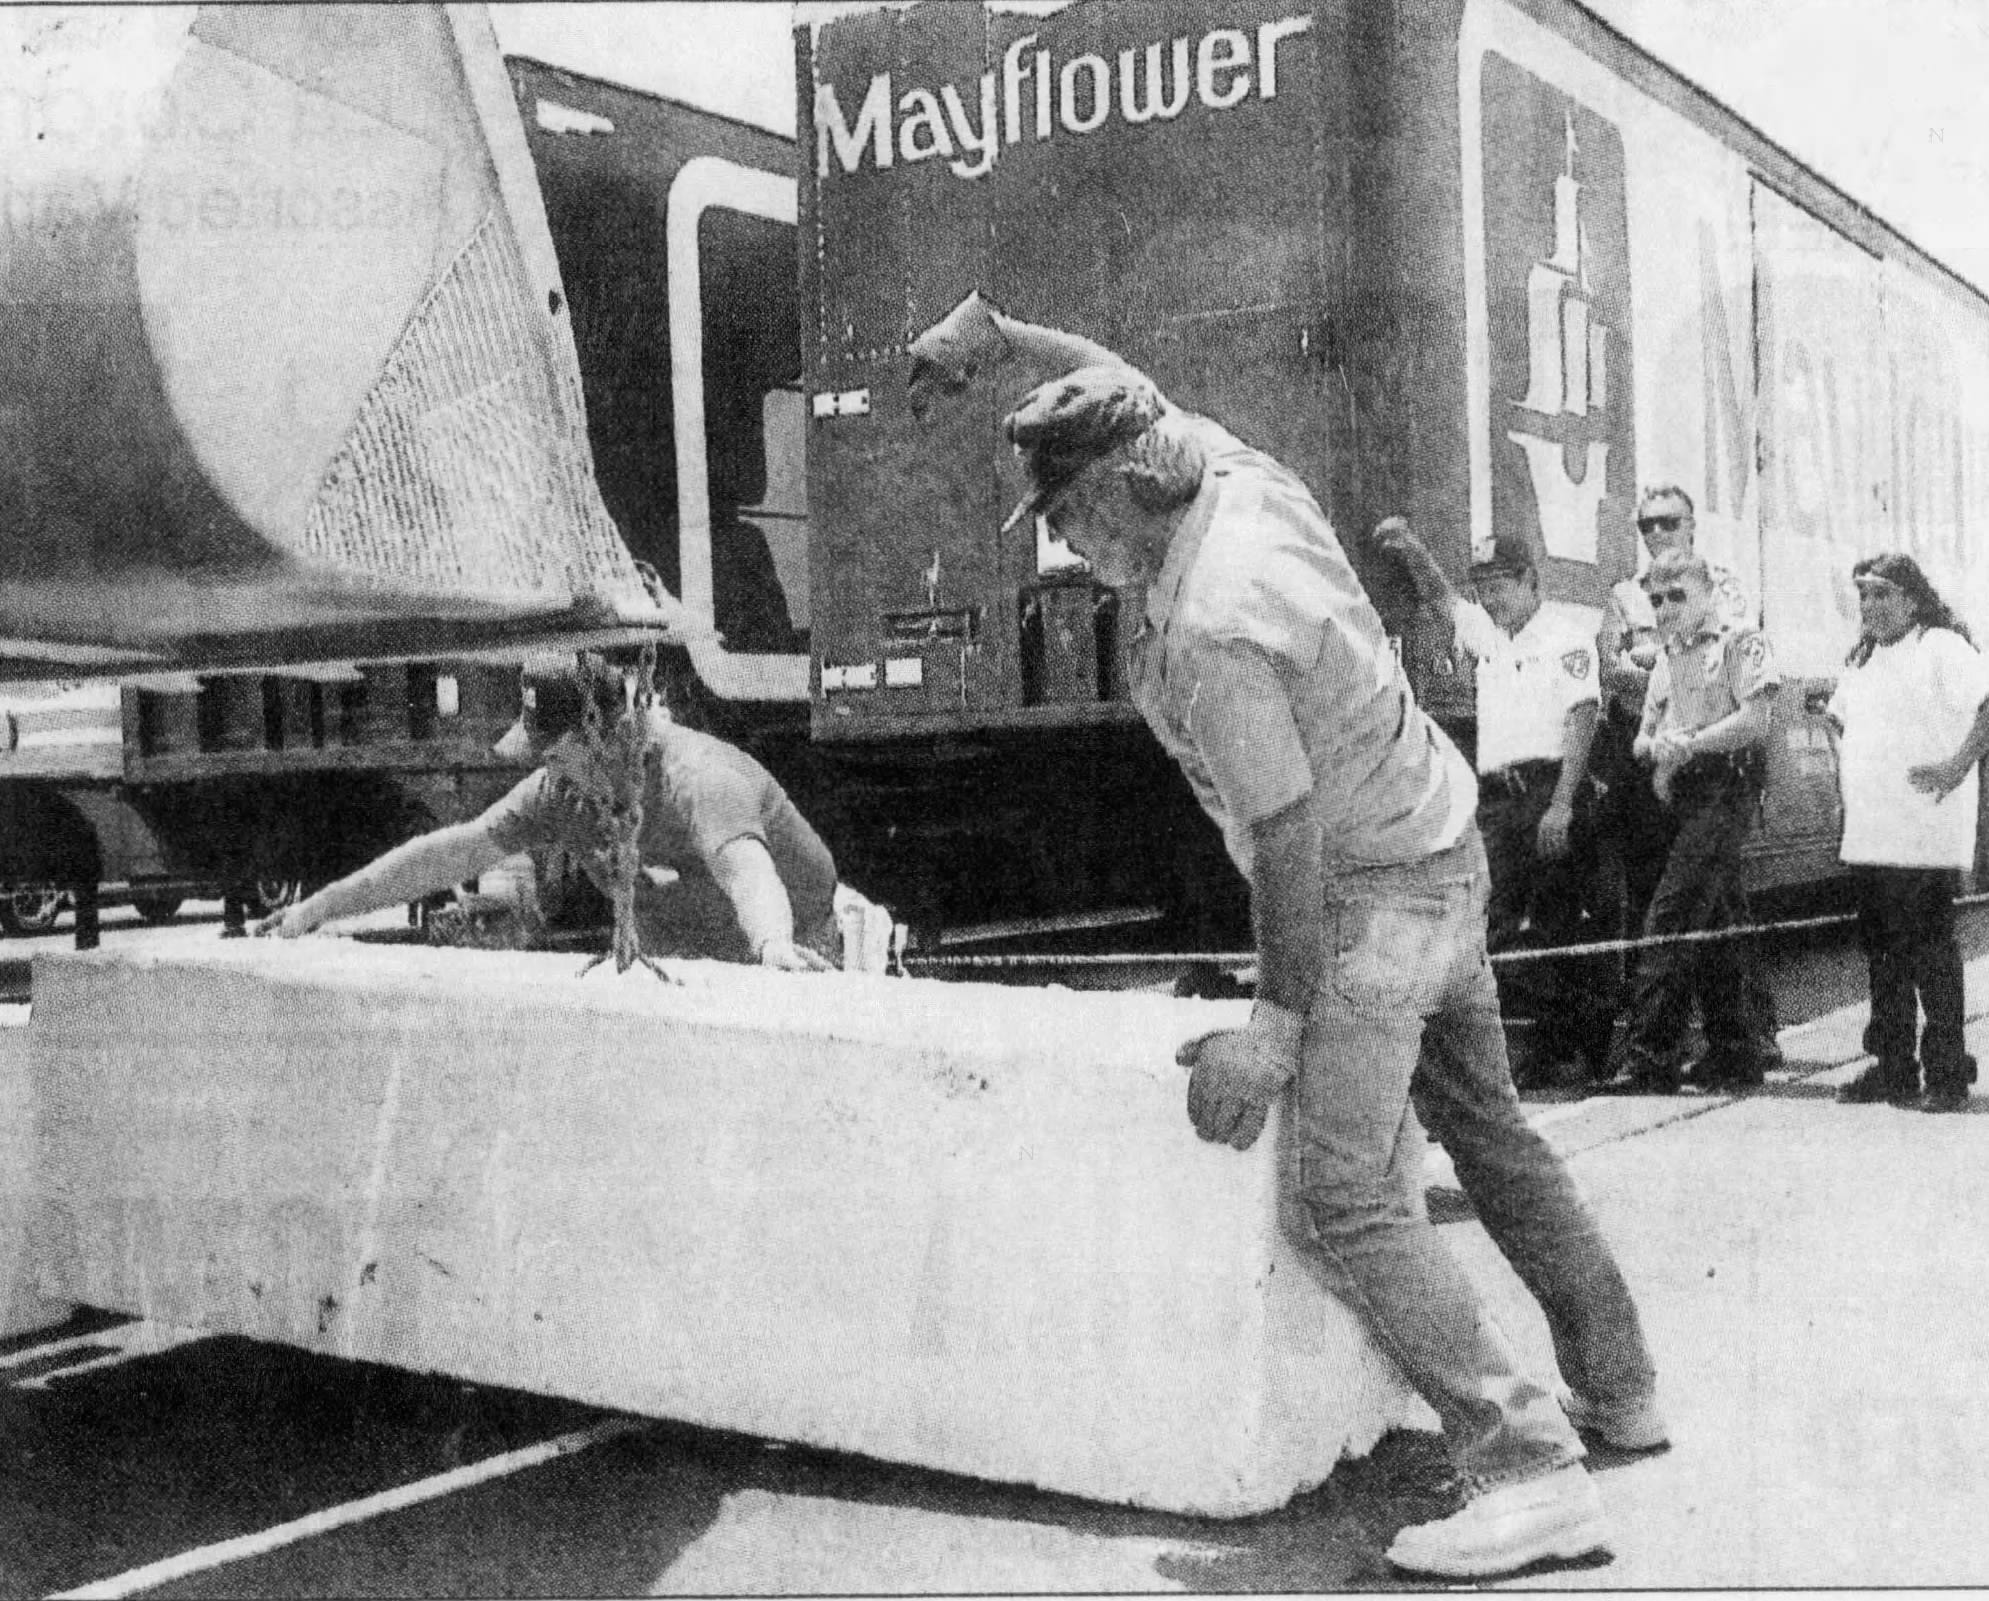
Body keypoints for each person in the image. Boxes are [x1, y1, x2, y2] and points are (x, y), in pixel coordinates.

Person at [980, 350, 1662, 1579]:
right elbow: (1118, 373)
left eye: (1075, 511)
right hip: (1445, 852)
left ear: (1139, 476)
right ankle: (1623, 1389)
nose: (1070, 542)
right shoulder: (1236, 470)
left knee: (1335, 1192)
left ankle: (1525, 1467)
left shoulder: (1209, 626)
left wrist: (1275, 1027)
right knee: (1493, 1131)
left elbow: (1288, 839)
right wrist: (1002, 336)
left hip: (1369, 896)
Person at [258, 654, 841, 971]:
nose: (548, 770)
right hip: (690, 961)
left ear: (611, 733)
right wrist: (319, 907)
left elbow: (747, 871)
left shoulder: (699, 776)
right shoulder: (557, 794)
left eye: (560, 753)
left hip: (796, 947)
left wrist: (773, 945)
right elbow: (449, 854)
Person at [1371, 521, 1611, 1083]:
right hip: (1501, 800)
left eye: (1499, 582)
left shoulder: (1565, 636)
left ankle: (1578, 1048)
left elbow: (1583, 718)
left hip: (1549, 789)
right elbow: (1441, 596)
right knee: (1495, 920)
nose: (1488, 595)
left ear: (1529, 581)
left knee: (1560, 919)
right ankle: (1533, 1046)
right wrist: (1410, 547)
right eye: (1482, 583)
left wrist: (1562, 804)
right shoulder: (1487, 631)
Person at [1594, 484, 1777, 1060]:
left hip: (1722, 769)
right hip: (1673, 773)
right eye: (1646, 525)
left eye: (1667, 523)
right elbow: (1617, 670)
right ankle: (1740, 1044)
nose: (1656, 533)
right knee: (1714, 907)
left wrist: (1688, 740)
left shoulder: (1722, 590)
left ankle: (1653, 1048)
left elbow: (1745, 703)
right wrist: (1662, 748)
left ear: (1691, 524)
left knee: (1678, 908)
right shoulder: (1628, 594)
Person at [1826, 553, 1989, 1112]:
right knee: (1882, 953)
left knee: (1928, 952)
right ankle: (1893, 1067)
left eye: (1882, 594)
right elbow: (1840, 722)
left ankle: (1947, 1074)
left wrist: (1955, 767)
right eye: (1864, 595)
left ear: (1913, 599)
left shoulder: (1941, 646)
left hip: (1923, 833)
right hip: (1872, 833)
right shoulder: (1864, 657)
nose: (1869, 606)